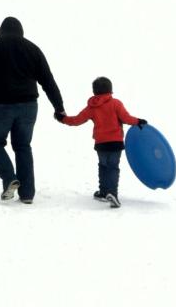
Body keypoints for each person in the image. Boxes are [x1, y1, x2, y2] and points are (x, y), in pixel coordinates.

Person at [0, 16, 65, 204]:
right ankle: (27, 194)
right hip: (28, 107)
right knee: (22, 146)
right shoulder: (33, 49)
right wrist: (59, 107)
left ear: (1, 31)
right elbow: (48, 80)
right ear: (21, 31)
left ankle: (10, 178)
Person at [58, 76, 145, 209]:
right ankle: (113, 194)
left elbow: (76, 120)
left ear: (94, 91)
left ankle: (104, 192)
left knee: (103, 166)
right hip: (115, 143)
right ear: (110, 90)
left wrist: (62, 118)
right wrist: (138, 121)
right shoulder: (116, 103)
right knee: (113, 168)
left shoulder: (92, 107)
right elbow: (126, 118)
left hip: (101, 144)